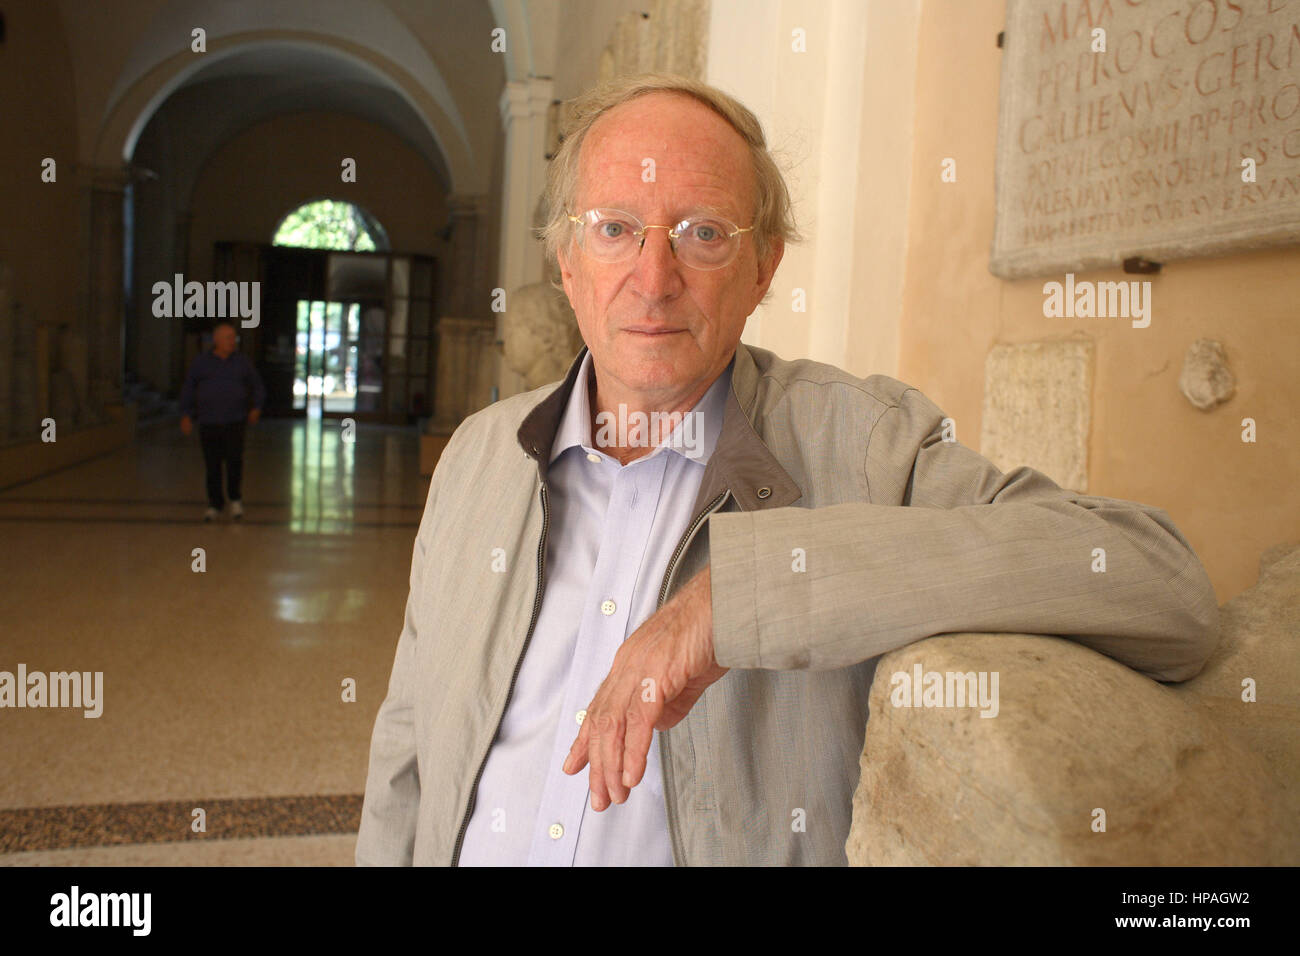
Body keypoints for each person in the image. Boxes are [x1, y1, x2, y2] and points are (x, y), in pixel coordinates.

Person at [356, 74, 1219, 866]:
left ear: (764, 268)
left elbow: (1160, 582)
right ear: (566, 258)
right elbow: (408, 751)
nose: (653, 281)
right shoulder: (479, 456)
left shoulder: (864, 445)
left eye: (703, 235)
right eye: (615, 229)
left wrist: (746, 595)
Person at [179, 322, 265, 521]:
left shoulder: (242, 362)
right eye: (228, 337)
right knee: (212, 464)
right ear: (216, 340)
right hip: (209, 421)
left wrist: (256, 407)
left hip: (235, 420)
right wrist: (186, 414)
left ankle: (235, 499)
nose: (232, 341)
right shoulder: (201, 362)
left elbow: (257, 385)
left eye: (233, 337)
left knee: (234, 462)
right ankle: (215, 503)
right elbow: (189, 388)